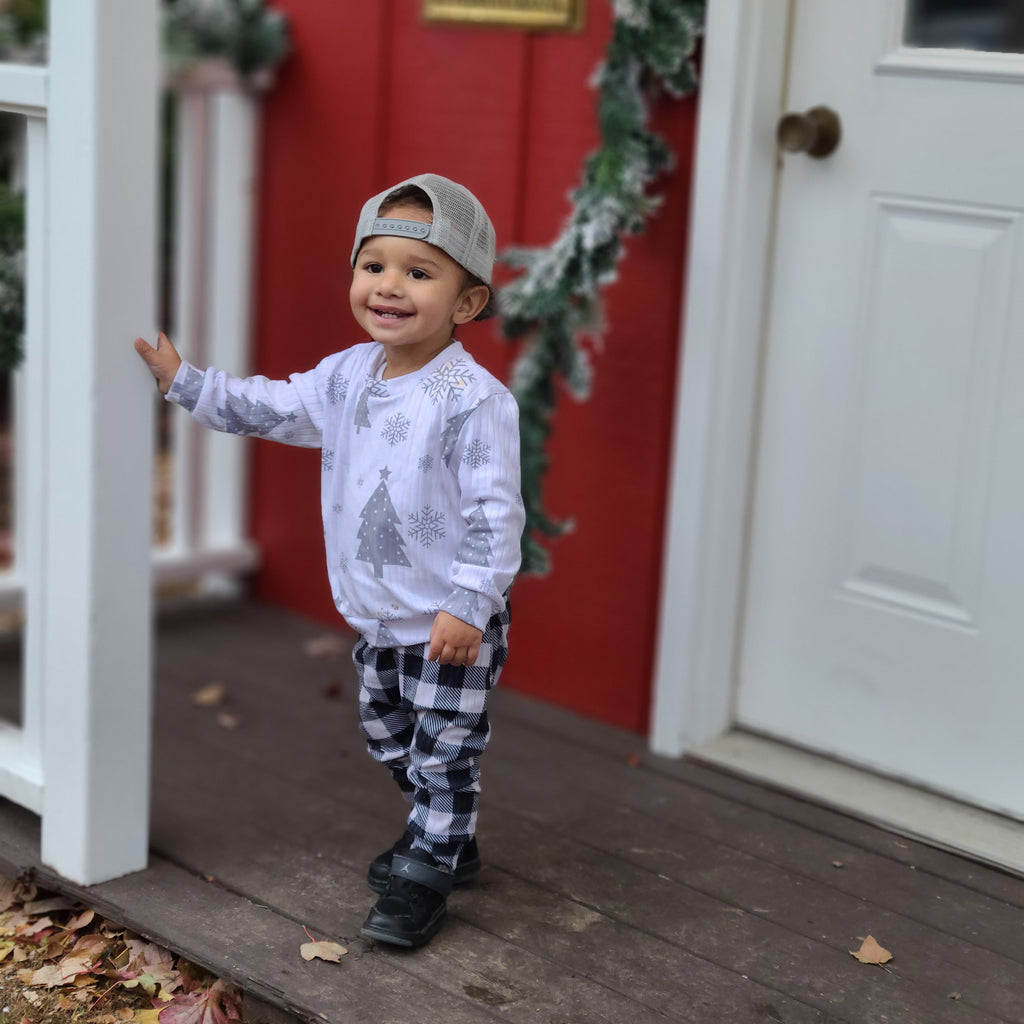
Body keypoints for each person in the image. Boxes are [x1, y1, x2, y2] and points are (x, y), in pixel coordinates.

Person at [135, 173, 524, 949]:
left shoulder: (471, 400)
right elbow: (275, 406)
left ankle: (428, 868)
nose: (388, 286)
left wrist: (469, 604)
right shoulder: (346, 376)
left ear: (467, 303)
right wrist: (188, 385)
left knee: (445, 751)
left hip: (450, 619)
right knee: (389, 736)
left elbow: (494, 515)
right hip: (377, 614)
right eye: (373, 265)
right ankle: (447, 833)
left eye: (418, 273)